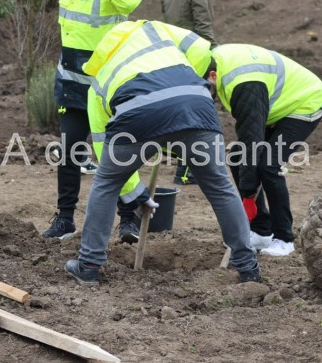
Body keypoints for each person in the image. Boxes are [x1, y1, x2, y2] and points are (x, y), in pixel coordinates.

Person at [64, 20, 261, 285]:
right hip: (195, 104)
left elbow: (104, 149)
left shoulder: (98, 81)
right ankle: (248, 267)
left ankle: (88, 266)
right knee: (219, 184)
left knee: (106, 183)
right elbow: (201, 49)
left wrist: (133, 192)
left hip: (137, 115)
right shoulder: (153, 30)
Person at [36, 0, 146, 243]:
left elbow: (132, 0)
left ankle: (128, 219)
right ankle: (65, 219)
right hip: (72, 85)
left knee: (117, 151)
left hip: (108, 88)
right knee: (69, 151)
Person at [207, 43, 322, 257]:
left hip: (304, 101)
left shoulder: (244, 84)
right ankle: (261, 231)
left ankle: (284, 238)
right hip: (272, 105)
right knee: (237, 157)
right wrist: (248, 192)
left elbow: (252, 141)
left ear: (213, 76)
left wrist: (248, 194)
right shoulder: (213, 64)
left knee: (268, 166)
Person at [161, 0, 217, 186]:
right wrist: (214, 58)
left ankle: (183, 168)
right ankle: (187, 172)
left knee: (182, 112)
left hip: (175, 58)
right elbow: (204, 29)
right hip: (197, 58)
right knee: (199, 113)